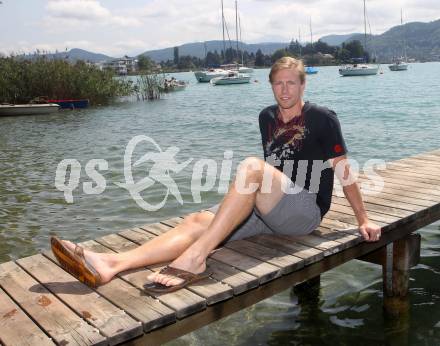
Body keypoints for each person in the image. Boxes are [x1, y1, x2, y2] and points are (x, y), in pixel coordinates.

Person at [51, 57, 381, 292]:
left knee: (252, 168)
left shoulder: (323, 118)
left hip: (305, 212)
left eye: (291, 83)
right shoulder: (266, 117)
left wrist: (362, 219)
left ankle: (195, 258)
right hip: (270, 208)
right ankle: (112, 264)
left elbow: (344, 171)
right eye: (278, 83)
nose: (284, 90)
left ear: (302, 83)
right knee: (197, 220)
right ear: (271, 85)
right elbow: (272, 170)